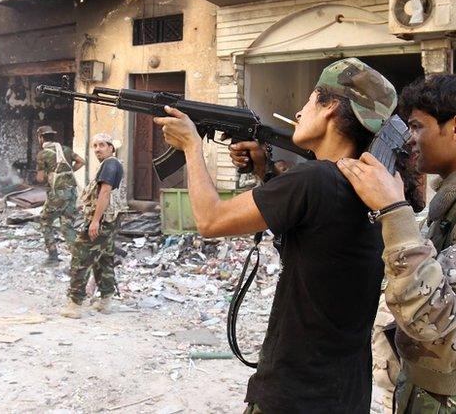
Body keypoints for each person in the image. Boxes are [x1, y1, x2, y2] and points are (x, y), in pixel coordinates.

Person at [152, 58, 405, 413]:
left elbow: (209, 220)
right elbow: (315, 240)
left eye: (308, 101)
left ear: (330, 106)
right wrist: (265, 172)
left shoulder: (313, 180)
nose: (299, 114)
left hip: (292, 397)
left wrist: (192, 148)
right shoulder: (371, 191)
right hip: (345, 395)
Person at [335, 74, 456, 412]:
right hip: (428, 393)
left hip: (454, 401)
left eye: (417, 127)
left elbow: (431, 313)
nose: (409, 140)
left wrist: (394, 211)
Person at [61, 133, 123, 319]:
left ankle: (74, 304)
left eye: (102, 145)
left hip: (102, 221)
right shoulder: (112, 164)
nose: (97, 149)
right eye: (95, 145)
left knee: (81, 257)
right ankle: (105, 301)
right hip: (110, 220)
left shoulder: (110, 164)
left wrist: (95, 221)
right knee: (103, 259)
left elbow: (104, 192)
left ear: (112, 148)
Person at [35, 125, 84, 265]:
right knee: (67, 226)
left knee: (45, 222)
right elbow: (82, 161)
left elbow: (39, 178)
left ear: (41, 137)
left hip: (57, 195)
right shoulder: (66, 150)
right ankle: (79, 261)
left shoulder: (43, 154)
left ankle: (53, 256)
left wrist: (51, 175)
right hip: (71, 192)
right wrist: (67, 173)